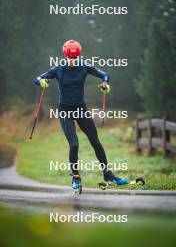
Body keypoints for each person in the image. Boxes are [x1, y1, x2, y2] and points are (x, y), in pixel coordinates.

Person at [35, 40, 128, 192]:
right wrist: (43, 82)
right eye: (70, 58)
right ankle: (76, 176)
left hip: (81, 109)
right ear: (65, 56)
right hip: (65, 110)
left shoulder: (84, 66)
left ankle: (108, 174)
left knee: (95, 142)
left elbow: (105, 74)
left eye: (75, 58)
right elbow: (37, 79)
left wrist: (105, 84)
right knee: (74, 144)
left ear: (79, 55)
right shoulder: (58, 68)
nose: (73, 61)